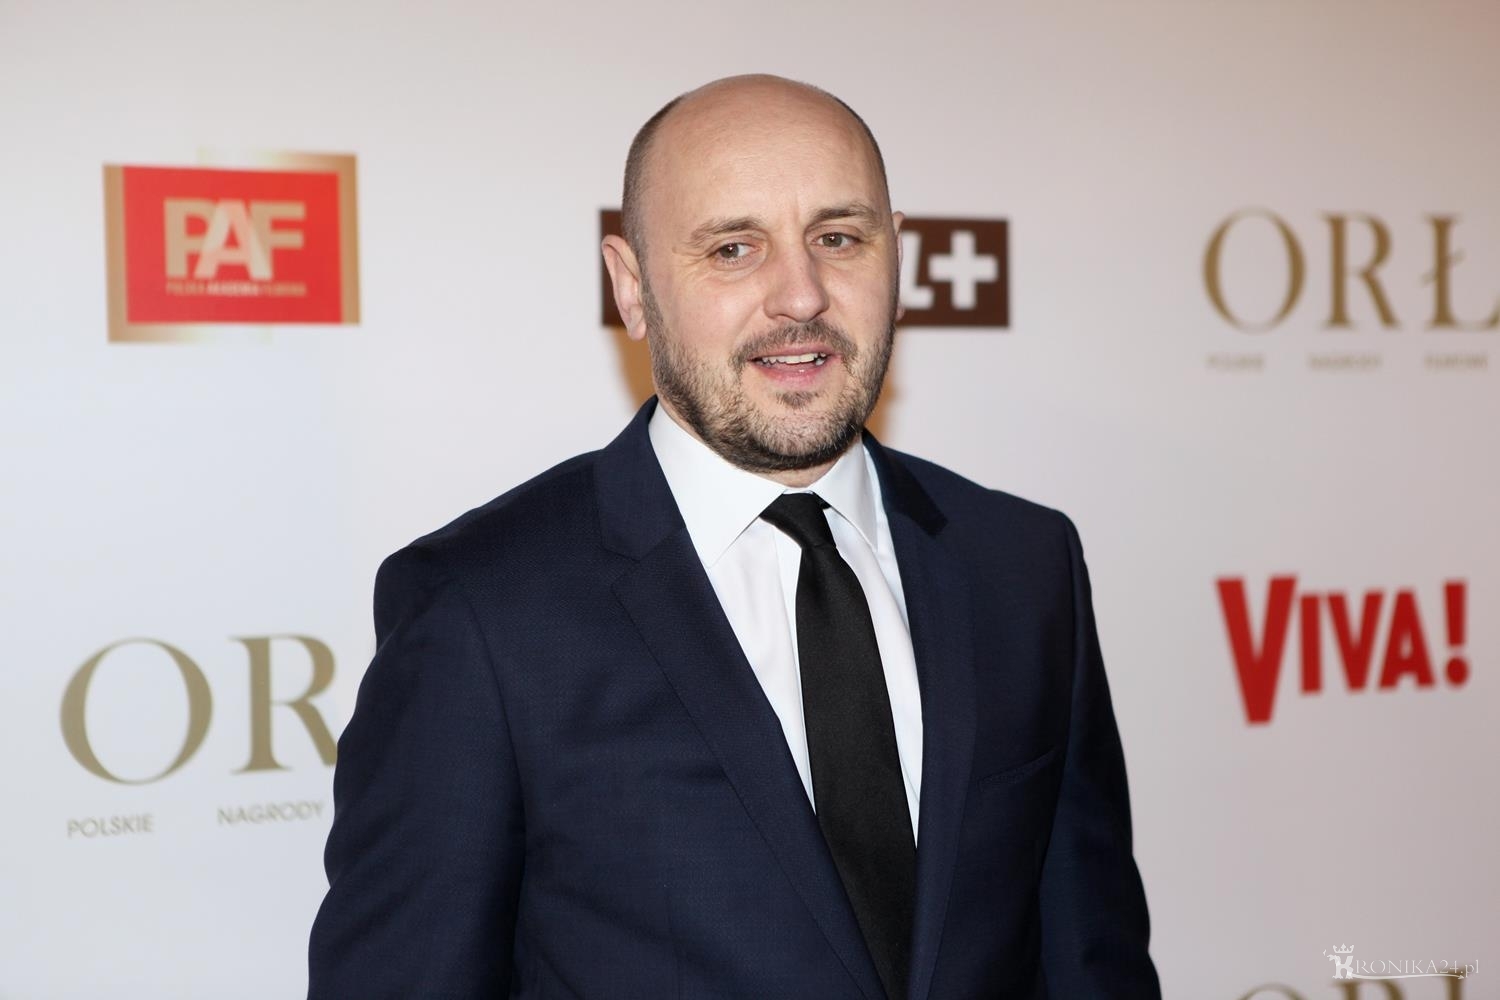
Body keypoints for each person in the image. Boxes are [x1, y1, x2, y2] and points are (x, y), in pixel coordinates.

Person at [308, 74, 1160, 1000]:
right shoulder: (482, 613)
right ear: (632, 287)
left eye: (838, 239)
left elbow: (1091, 960)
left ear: (898, 255)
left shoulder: (1023, 565)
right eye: (732, 248)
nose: (801, 295)